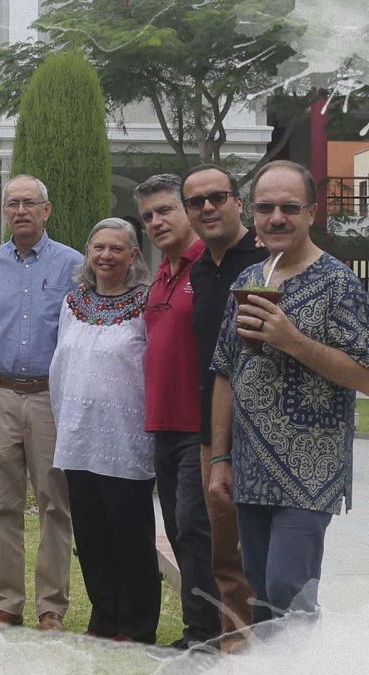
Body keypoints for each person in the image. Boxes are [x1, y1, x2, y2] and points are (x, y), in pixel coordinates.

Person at [210, 160, 369, 623]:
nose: (276, 217)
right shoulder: (249, 281)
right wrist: (221, 458)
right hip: (250, 467)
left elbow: (364, 373)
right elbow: (224, 369)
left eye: (289, 207)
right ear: (253, 214)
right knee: (260, 595)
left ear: (312, 212)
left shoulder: (340, 284)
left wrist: (292, 340)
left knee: (289, 592)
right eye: (265, 207)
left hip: (309, 472)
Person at [0, 174, 81, 631]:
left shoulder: (74, 264)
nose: (20, 211)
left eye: (29, 203)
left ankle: (51, 606)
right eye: (12, 203)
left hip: (51, 398)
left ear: (46, 210)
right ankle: (6, 604)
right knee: (1, 504)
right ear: (4, 211)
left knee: (56, 503)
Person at [50, 218, 159, 643]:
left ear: (133, 255)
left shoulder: (146, 304)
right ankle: (104, 615)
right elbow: (62, 365)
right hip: (78, 438)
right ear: (88, 253)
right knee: (91, 536)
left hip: (126, 438)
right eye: (99, 247)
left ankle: (137, 623)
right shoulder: (73, 302)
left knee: (130, 534)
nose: (106, 256)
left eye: (117, 248)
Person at [134, 174, 221, 648]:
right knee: (177, 527)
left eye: (165, 210)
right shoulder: (161, 275)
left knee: (194, 531)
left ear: (187, 211)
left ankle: (204, 636)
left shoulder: (209, 269)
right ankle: (205, 630)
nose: (156, 221)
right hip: (162, 427)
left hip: (199, 427)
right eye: (148, 216)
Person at [182, 163, 263, 646]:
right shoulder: (202, 270)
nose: (208, 207)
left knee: (262, 552)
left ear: (238, 201)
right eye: (197, 201)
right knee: (224, 551)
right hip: (212, 429)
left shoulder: (265, 261)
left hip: (265, 432)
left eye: (218, 197)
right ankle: (237, 647)